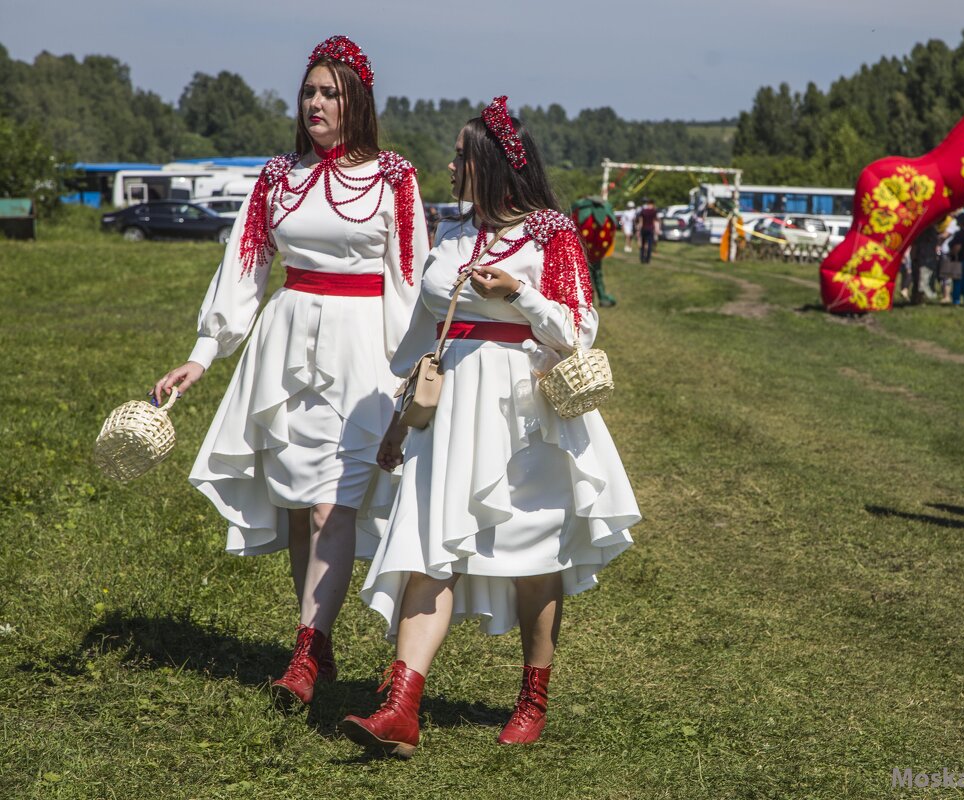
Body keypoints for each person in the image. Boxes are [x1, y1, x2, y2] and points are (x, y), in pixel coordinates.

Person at [341, 96, 640, 757]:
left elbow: (580, 331)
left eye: (459, 154)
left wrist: (520, 294)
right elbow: (426, 333)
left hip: (523, 412)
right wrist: (400, 412)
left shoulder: (552, 233)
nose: (449, 165)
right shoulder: (451, 237)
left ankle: (533, 695)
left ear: (491, 163)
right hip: (448, 414)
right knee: (428, 551)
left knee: (534, 558)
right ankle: (401, 708)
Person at [153, 35, 431, 709]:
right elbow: (243, 268)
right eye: (309, 90)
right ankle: (319, 637)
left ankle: (305, 651)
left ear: (355, 102)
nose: (315, 101)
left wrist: (412, 367)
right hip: (289, 347)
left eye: (329, 92)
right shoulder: (278, 177)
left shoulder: (394, 177)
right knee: (302, 505)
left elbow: (409, 277)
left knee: (336, 501)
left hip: (363, 353)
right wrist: (203, 351)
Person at [636, 198, 660, 263]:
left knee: (643, 244)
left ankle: (642, 258)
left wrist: (638, 230)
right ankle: (647, 259)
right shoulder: (654, 211)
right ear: (652, 204)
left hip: (644, 229)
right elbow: (655, 220)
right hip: (650, 229)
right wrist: (657, 229)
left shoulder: (643, 211)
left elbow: (641, 221)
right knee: (649, 245)